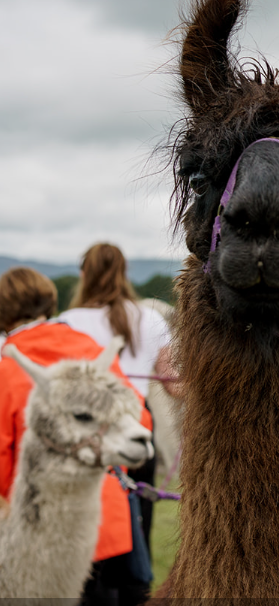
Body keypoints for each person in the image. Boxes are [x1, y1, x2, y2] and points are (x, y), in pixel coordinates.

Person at [0, 267, 154, 604]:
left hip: (38, 533)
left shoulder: (7, 368)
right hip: (103, 523)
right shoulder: (92, 354)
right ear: (49, 304)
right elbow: (138, 418)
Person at [58, 243, 176, 581]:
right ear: (123, 274)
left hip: (88, 439)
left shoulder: (66, 323)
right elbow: (176, 385)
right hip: (139, 430)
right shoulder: (149, 318)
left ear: (85, 274)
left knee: (86, 533)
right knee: (140, 523)